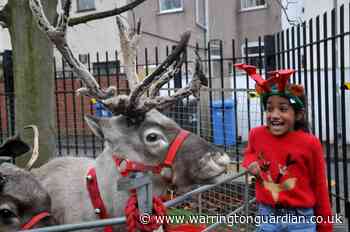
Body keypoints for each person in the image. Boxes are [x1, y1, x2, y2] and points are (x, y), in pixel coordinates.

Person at [235, 64, 333, 232]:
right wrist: (251, 163)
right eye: (269, 108)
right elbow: (249, 153)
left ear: (298, 114)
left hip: (301, 219)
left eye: (283, 109)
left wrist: (325, 225)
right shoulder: (256, 134)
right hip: (267, 215)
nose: (274, 115)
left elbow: (320, 185)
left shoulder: (310, 143)